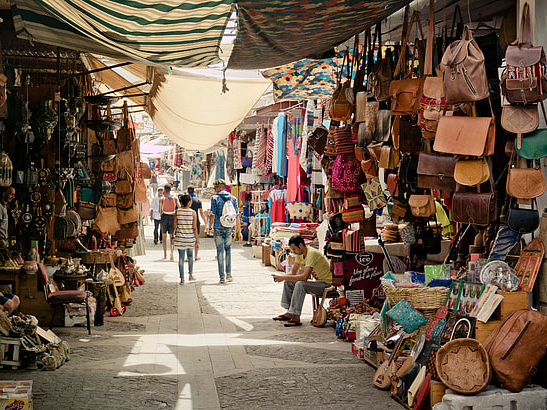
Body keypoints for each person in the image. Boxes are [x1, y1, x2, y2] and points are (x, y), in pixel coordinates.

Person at [272, 234, 332, 327]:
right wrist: (282, 276)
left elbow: (304, 277)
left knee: (301, 284)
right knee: (289, 281)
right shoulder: (301, 254)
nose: (293, 252)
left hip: (327, 285)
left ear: (300, 245)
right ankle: (290, 312)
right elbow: (293, 272)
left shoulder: (311, 253)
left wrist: (283, 277)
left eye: (294, 249)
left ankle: (296, 316)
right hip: (319, 283)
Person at [208, 179, 242, 283]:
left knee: (219, 251)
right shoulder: (233, 198)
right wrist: (239, 232)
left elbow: (212, 214)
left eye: (215, 188)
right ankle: (229, 274)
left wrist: (210, 228)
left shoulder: (215, 198)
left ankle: (221, 276)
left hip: (218, 227)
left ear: (219, 187)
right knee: (228, 251)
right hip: (228, 227)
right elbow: (237, 216)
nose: (214, 190)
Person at [173, 194, 199, 284]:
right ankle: (191, 275)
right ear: (188, 202)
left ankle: (182, 278)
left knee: (181, 258)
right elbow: (194, 228)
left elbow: (174, 226)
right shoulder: (193, 212)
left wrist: (173, 236)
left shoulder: (177, 212)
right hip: (190, 238)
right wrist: (197, 240)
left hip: (180, 238)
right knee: (190, 256)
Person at [159, 184, 179, 261]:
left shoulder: (162, 198)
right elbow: (179, 207)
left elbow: (160, 210)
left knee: (164, 236)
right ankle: (172, 252)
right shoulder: (174, 198)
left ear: (164, 189)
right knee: (172, 236)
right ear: (171, 189)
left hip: (164, 216)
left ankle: (165, 254)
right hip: (172, 217)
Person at [187, 185, 206, 261]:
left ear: (188, 191)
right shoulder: (198, 201)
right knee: (196, 238)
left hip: (187, 221)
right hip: (196, 221)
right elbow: (201, 212)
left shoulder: (186, 200)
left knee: (187, 238)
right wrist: (205, 222)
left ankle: (188, 256)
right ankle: (195, 255)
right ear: (194, 191)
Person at [0, 187, 15, 251]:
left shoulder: (7, 207)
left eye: (14, 195)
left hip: (6, 243)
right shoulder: (0, 207)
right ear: (4, 194)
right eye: (11, 194)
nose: (13, 197)